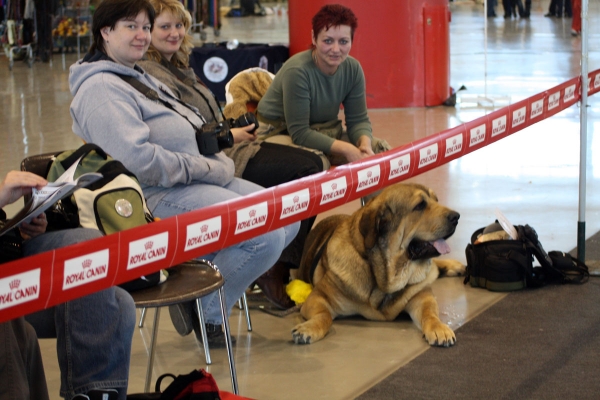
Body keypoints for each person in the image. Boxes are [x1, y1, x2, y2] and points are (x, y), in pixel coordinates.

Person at [68, 0, 299, 346]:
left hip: (197, 177)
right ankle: (207, 310)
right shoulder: (101, 89)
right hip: (153, 195)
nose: (142, 36)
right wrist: (207, 165)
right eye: (131, 26)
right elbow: (139, 162)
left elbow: (189, 129)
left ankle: (197, 279)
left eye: (145, 27)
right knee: (262, 236)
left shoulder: (136, 74)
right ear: (105, 32)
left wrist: (211, 158)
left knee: (287, 216)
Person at [138, 0, 322, 311]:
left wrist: (231, 128)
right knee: (303, 173)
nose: (175, 33)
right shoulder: (150, 73)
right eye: (165, 26)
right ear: (146, 32)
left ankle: (266, 267)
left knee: (306, 175)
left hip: (223, 153)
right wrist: (228, 135)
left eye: (179, 25)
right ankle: (262, 274)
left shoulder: (179, 66)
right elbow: (180, 135)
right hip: (210, 161)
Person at [0, 170, 136, 400]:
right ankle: (88, 391)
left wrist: (22, 227)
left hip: (12, 256)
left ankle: (91, 394)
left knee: (88, 247)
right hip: (7, 285)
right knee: (120, 304)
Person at [256, 4, 391, 169]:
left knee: (380, 152)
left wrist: (365, 143)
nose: (336, 49)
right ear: (314, 38)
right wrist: (347, 149)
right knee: (316, 162)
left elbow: (358, 120)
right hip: (278, 132)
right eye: (328, 41)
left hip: (322, 130)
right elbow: (299, 133)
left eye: (343, 41)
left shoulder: (353, 69)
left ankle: (379, 196)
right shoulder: (298, 71)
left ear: (352, 40)